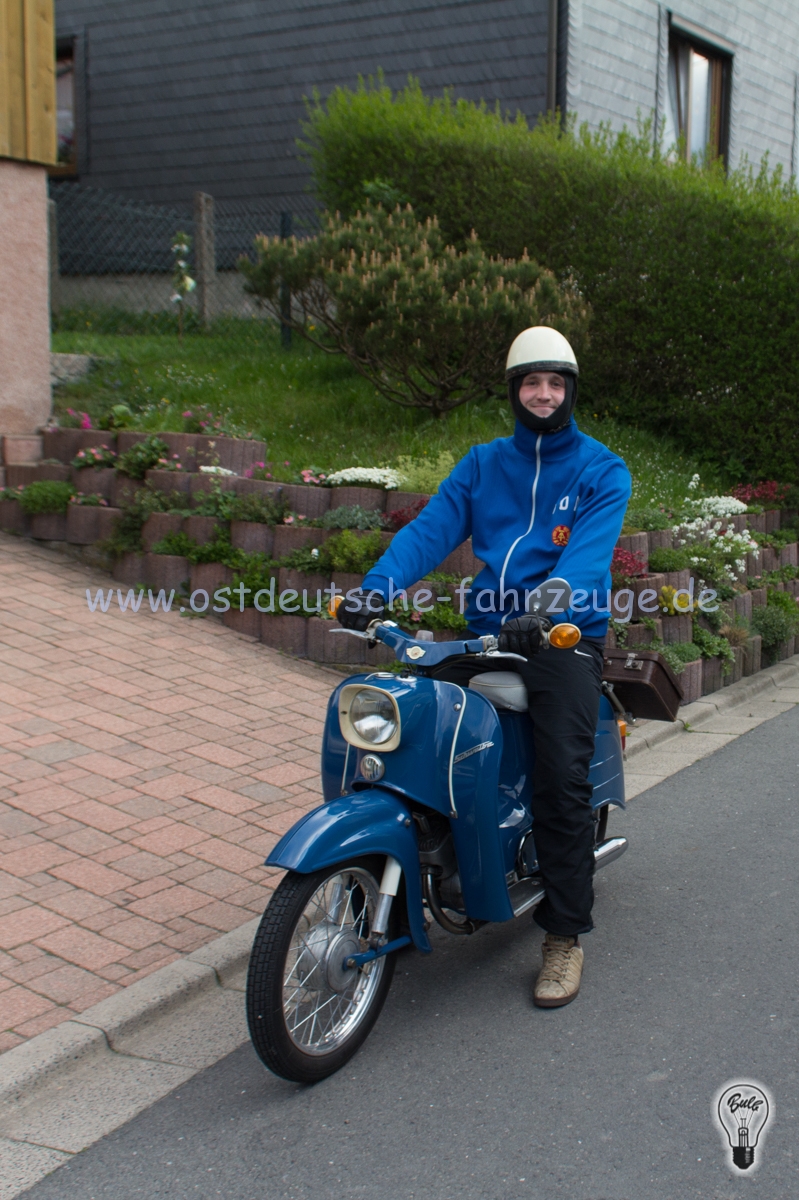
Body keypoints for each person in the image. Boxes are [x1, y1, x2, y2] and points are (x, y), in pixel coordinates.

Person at [338, 327, 631, 1008]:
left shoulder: (600, 468)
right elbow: (430, 531)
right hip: (491, 632)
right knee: (410, 740)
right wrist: (374, 591)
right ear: (512, 390)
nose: (543, 393)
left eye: (555, 382)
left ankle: (561, 936)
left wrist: (552, 599)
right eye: (531, 382)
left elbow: (587, 556)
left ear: (570, 391)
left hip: (562, 637)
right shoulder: (481, 464)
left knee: (561, 780)